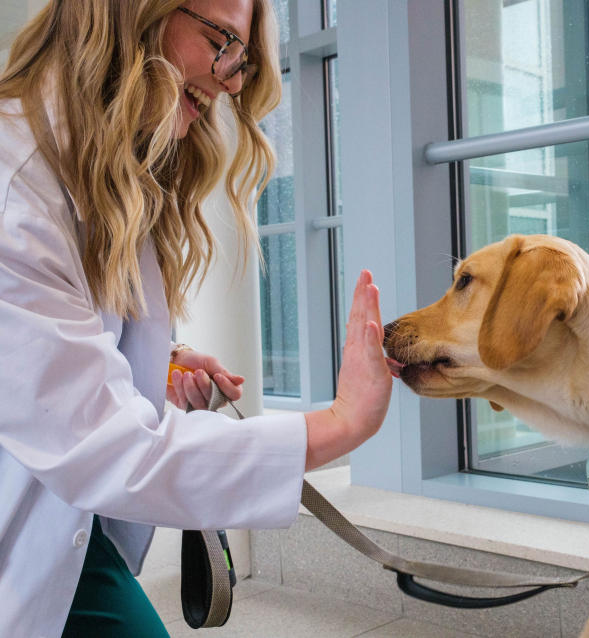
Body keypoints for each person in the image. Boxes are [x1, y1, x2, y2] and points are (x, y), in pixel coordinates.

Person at [0, 1, 393, 636]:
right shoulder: (13, 189)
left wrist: (149, 362)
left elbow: (50, 341)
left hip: (61, 515)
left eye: (242, 59)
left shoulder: (94, 167)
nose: (233, 80)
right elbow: (112, 451)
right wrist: (340, 424)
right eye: (222, 42)